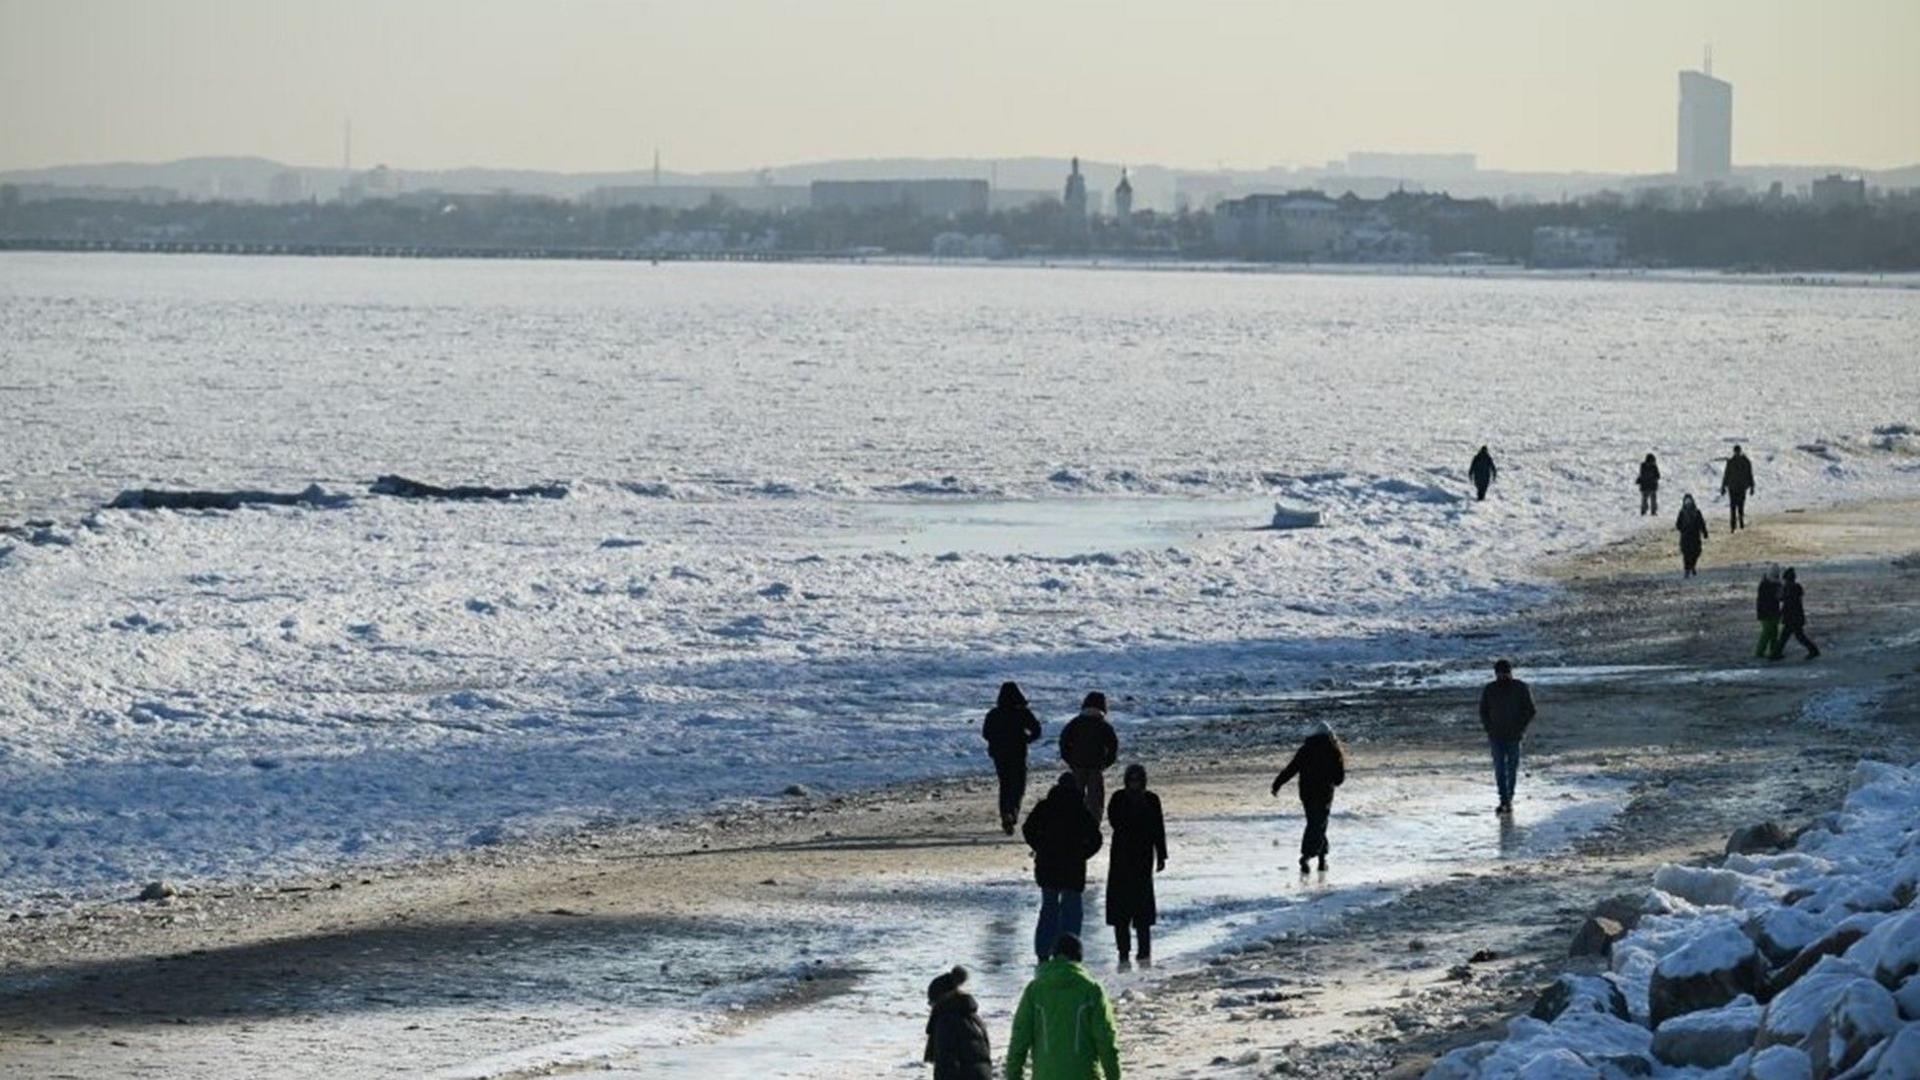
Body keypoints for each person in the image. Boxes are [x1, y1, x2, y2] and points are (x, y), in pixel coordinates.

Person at [1004, 934, 1122, 1080]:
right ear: (1079, 959)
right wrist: (1114, 1077)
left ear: (1053, 956)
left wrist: (1013, 1076)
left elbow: (1019, 1039)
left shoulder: (1035, 990)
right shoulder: (1092, 990)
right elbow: (1106, 1040)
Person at [1021, 773, 1103, 963]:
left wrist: (1039, 847)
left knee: (1049, 909)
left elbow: (1028, 829)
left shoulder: (1045, 806)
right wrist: (1082, 855)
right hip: (1072, 868)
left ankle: (1043, 953)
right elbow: (1096, 840)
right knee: (1072, 910)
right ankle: (1069, 952)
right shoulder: (1080, 810)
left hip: (1047, 866)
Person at [1104, 764, 1166, 970]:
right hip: (1121, 859)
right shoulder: (1118, 798)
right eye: (1132, 780)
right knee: (1121, 910)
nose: (1135, 784)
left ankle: (1144, 952)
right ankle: (1123, 952)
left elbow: (1159, 827)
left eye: (1138, 780)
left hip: (1142, 859)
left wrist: (1161, 854)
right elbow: (1115, 821)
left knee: (1142, 909)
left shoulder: (1151, 799)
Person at [1269, 720, 1347, 873]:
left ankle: (1321, 859)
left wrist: (1277, 784)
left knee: (1315, 822)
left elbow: (1291, 769)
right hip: (1324, 793)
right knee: (1319, 823)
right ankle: (1308, 855)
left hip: (1307, 793)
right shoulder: (1333, 751)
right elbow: (1339, 779)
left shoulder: (1306, 749)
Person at [983, 682, 1044, 835]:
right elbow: (1036, 730)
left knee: (1005, 784)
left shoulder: (994, 714)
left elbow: (986, 733)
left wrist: (996, 742)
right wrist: (1026, 739)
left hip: (999, 754)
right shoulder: (1022, 713)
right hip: (1017, 752)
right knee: (1018, 785)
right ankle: (1012, 812)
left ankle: (1006, 814)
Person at [1479, 659, 1535, 815]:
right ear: (1496, 674)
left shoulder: (1521, 688)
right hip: (1496, 736)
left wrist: (1520, 727)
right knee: (1500, 768)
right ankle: (1504, 799)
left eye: (1506, 673)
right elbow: (1483, 711)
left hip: (1514, 736)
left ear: (1511, 672)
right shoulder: (1490, 689)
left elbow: (1530, 710)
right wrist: (1489, 728)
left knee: (1511, 768)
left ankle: (1508, 799)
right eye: (1500, 674)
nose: (1503, 676)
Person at [924, 965, 993, 1080]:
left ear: (939, 1000)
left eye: (931, 1003)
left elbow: (946, 1067)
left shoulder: (946, 1022)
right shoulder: (974, 1018)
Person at [1058, 692, 1118, 824]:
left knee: (1075, 796)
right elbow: (1113, 746)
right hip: (1096, 767)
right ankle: (1093, 825)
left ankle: (1073, 822)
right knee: (1095, 800)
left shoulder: (1075, 723)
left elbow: (1063, 742)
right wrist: (1105, 763)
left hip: (1077, 765)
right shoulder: (1104, 726)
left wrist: (1070, 760)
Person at [1771, 567, 1821, 660]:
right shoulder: (1796, 587)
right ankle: (1813, 650)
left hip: (1791, 617)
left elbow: (1782, 600)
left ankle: (1775, 654)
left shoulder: (1789, 588)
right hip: (1796, 617)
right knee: (1797, 636)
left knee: (1786, 637)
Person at [1722, 445, 1756, 532]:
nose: (1737, 453)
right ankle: (1733, 525)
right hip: (1733, 487)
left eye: (1737, 452)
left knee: (1740, 506)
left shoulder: (1745, 462)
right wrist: (1723, 486)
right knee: (1733, 507)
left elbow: (1749, 475)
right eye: (1736, 452)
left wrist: (1752, 486)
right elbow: (1726, 475)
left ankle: (1740, 521)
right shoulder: (1732, 462)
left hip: (1741, 487)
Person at [1675, 494, 1710, 577]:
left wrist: (1704, 532)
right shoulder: (1682, 513)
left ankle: (1693, 566)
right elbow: (1678, 524)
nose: (1688, 504)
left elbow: (1701, 523)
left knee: (1696, 552)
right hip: (1686, 536)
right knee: (1686, 553)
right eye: (1687, 502)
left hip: (1695, 536)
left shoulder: (1697, 512)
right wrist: (1682, 529)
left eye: (1689, 502)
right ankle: (1687, 569)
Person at [1755, 565, 1784, 660]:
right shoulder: (1766, 585)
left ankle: (1773, 651)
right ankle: (1760, 652)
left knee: (1773, 632)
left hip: (1770, 612)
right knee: (1767, 632)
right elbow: (1778, 597)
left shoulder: (1765, 584)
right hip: (1767, 612)